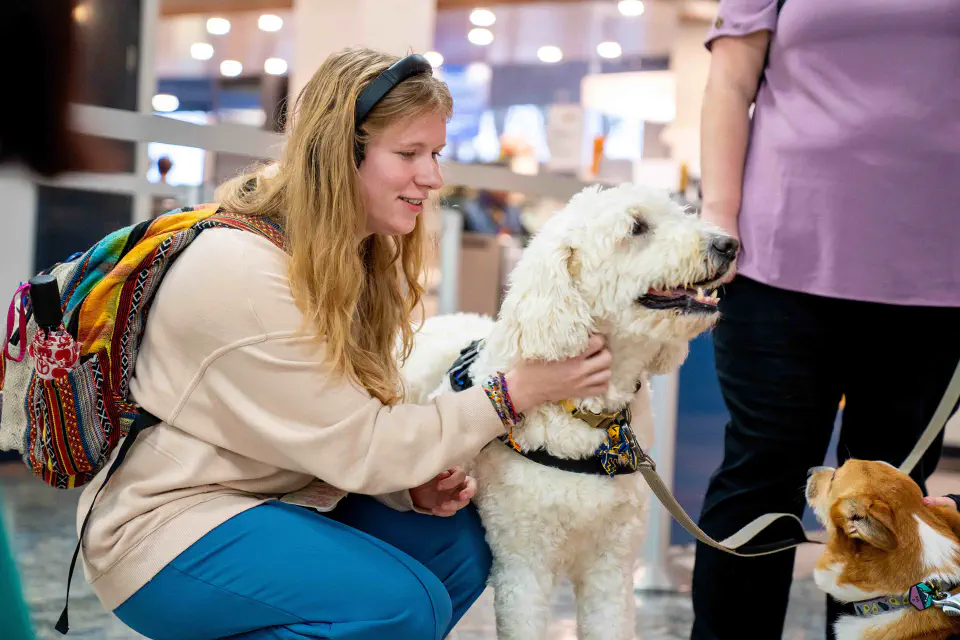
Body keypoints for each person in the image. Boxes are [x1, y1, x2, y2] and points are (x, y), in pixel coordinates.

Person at [75, 47, 614, 640]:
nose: (432, 177)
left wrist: (407, 487)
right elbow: (365, 443)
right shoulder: (244, 271)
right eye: (408, 154)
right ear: (338, 155)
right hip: (165, 528)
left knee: (458, 549)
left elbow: (342, 427)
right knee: (401, 605)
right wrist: (516, 391)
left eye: (433, 154)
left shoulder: (342, 257)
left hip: (277, 497)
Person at [691, 1, 960, 638]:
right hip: (781, 259)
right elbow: (730, 83)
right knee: (761, 476)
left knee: (897, 494)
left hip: (935, 274)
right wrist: (718, 219)